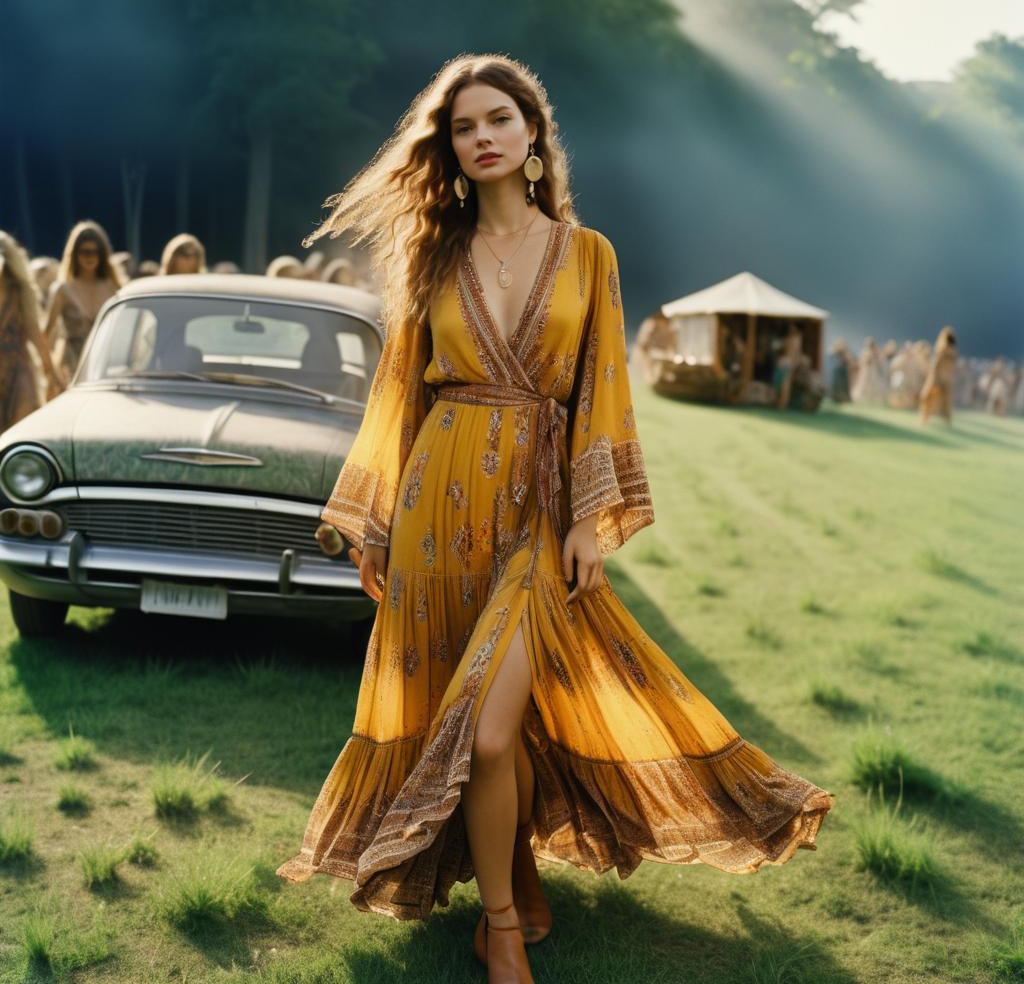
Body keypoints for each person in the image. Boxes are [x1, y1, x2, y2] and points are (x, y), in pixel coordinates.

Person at [275, 54, 834, 983]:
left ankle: (498, 929)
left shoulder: (589, 255)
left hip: (537, 513)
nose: (482, 136)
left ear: (534, 134)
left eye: (499, 118)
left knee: (494, 730)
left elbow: (602, 391)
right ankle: (515, 881)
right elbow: (397, 397)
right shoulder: (431, 254)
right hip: (437, 508)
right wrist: (375, 525)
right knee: (468, 721)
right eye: (463, 127)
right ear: (449, 149)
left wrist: (590, 515)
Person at [0, 232, 69, 431]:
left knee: (21, 423)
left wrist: (52, 373)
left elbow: (34, 332)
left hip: (18, 366)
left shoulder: (19, 291)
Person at [45, 220, 124, 381]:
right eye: (84, 251)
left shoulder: (113, 288)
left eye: (96, 252)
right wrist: (52, 373)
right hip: (70, 369)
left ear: (103, 255)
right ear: (74, 253)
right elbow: (45, 336)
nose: (90, 257)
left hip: (106, 367)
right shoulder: (62, 290)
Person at [919, 326, 957, 427]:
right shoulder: (953, 352)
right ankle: (947, 422)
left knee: (928, 398)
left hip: (937, 379)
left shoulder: (943, 350)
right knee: (945, 403)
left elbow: (936, 365)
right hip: (946, 380)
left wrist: (934, 378)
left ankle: (926, 420)